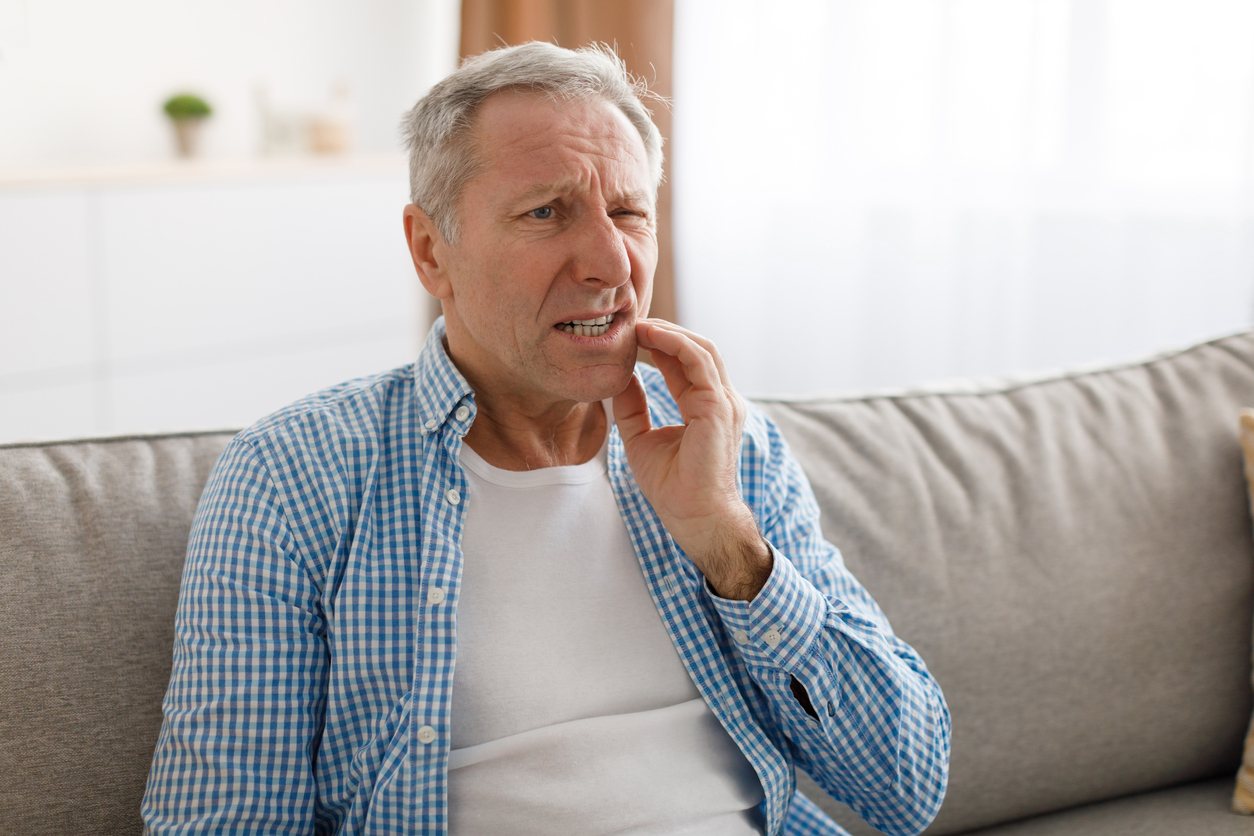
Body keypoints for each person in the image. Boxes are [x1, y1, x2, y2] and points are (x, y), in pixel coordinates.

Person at [141, 42, 950, 836]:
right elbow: (225, 820)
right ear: (431, 250)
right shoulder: (294, 477)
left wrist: (728, 544)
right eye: (545, 212)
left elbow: (908, 789)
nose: (611, 261)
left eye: (629, 211)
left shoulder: (730, 444)